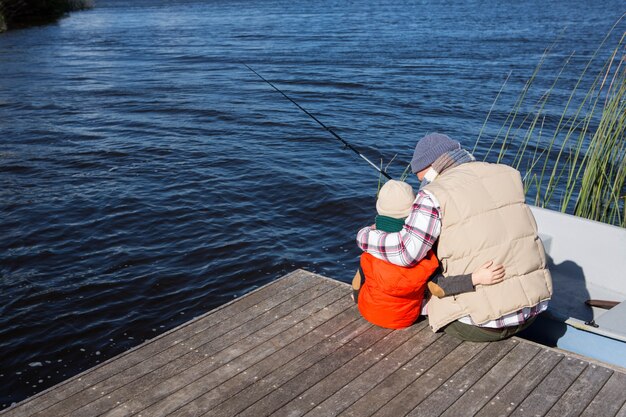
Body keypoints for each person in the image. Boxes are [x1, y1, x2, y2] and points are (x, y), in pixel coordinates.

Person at [357, 133, 552, 342]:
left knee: (400, 265)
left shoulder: (432, 194)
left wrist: (366, 235)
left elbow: (406, 253)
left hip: (481, 325)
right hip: (533, 311)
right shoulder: (508, 174)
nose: (422, 185)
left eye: (422, 179)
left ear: (432, 168)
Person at [352, 179, 506, 330]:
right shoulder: (422, 259)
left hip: (368, 311)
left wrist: (357, 296)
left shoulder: (370, 252)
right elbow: (439, 288)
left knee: (365, 276)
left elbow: (357, 282)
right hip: (404, 318)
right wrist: (476, 278)